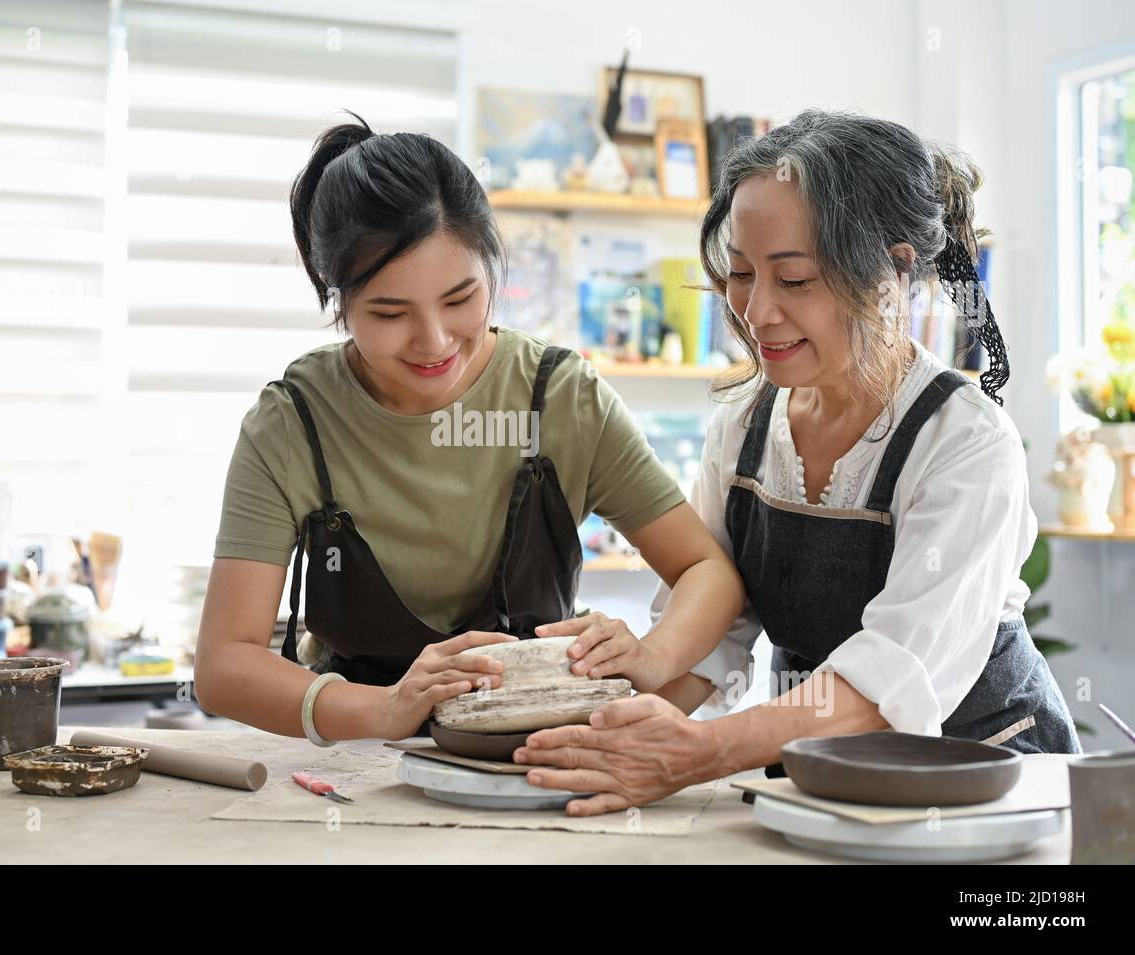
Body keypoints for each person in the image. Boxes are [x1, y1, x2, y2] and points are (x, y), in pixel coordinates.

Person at [515, 109, 1082, 816]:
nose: (755, 311)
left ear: (893, 273)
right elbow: (713, 633)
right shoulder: (745, 427)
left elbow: (889, 680)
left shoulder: (965, 445)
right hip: (827, 782)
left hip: (983, 788)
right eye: (742, 274)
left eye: (795, 279)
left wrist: (701, 752)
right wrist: (593, 718)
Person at [194, 113, 744, 745]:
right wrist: (384, 709)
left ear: (493, 272)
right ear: (336, 299)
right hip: (358, 757)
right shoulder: (292, 423)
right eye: (389, 312)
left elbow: (708, 570)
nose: (433, 342)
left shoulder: (562, 400)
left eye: (460, 300)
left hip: (534, 753)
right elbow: (223, 664)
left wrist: (656, 655)